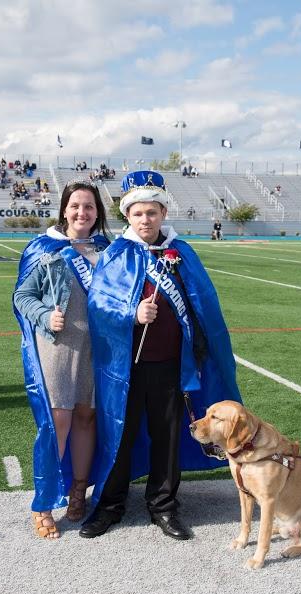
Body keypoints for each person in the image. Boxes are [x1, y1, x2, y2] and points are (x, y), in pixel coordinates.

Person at [80, 170, 242, 541]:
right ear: (128, 216)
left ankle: (164, 506)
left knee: (167, 435)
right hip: (125, 367)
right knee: (120, 434)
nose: (146, 220)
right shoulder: (116, 254)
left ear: (163, 213)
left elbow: (204, 304)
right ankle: (109, 506)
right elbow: (99, 305)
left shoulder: (182, 253)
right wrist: (132, 314)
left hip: (171, 364)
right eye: (138, 214)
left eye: (152, 212)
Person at [13, 181, 110, 539]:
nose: (81, 212)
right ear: (64, 210)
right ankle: (43, 503)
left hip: (97, 349)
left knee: (87, 417)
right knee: (58, 421)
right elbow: (23, 295)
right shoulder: (45, 249)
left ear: (97, 212)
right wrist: (42, 315)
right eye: (75, 206)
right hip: (58, 347)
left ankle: (78, 491)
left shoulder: (107, 250)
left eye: (88, 206)